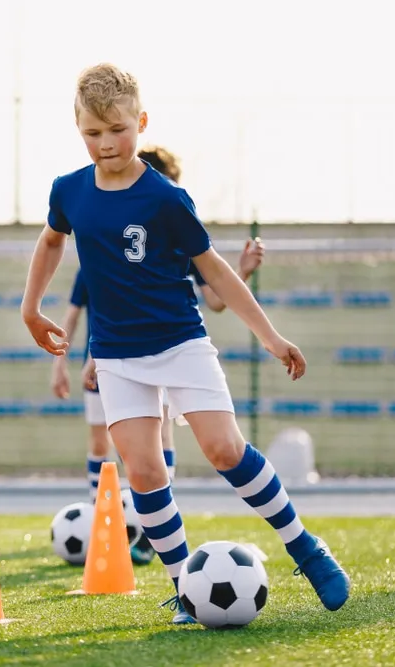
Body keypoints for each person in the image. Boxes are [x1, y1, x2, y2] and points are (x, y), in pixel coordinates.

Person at [21, 63, 350, 624]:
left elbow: (215, 272)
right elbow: (52, 241)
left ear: (141, 123)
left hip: (181, 344)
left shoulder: (166, 199)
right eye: (92, 133)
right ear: (79, 131)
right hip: (118, 356)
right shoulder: (68, 190)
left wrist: (269, 335)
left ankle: (303, 546)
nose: (106, 144)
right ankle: (184, 590)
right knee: (145, 473)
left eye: (118, 130)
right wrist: (30, 308)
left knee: (224, 450)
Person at [49, 145, 265, 565]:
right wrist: (71, 358)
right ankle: (110, 523)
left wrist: (244, 272)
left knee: (169, 440)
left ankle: (151, 533)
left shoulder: (175, 232)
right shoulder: (98, 238)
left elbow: (215, 299)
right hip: (111, 358)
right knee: (110, 445)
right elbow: (75, 310)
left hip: (169, 348)